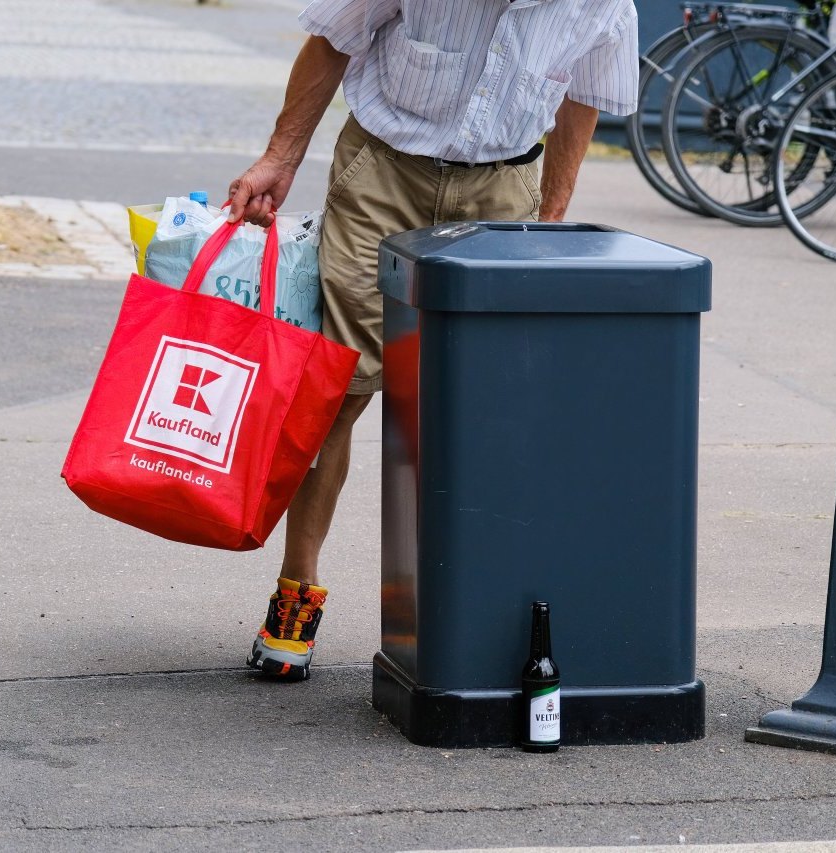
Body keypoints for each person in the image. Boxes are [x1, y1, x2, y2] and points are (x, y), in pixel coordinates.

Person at [228, 0, 640, 680]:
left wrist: (553, 216)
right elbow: (333, 39)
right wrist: (280, 156)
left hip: (504, 190)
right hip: (385, 170)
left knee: (484, 413)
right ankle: (295, 597)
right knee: (337, 390)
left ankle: (474, 614)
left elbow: (581, 96)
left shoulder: (601, 5)